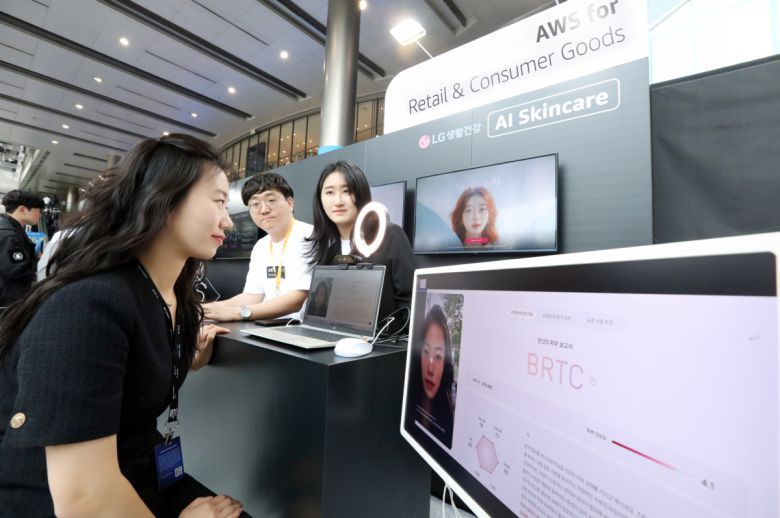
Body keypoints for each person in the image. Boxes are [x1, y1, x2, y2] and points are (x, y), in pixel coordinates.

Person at [0, 134, 244, 517]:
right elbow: (84, 500)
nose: (228, 221)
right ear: (164, 198)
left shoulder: (170, 297)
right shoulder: (87, 307)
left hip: (136, 473)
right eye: (218, 201)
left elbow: (138, 371)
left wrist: (192, 355)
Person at [306, 161, 417, 326]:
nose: (338, 201)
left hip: (383, 339)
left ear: (362, 194)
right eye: (329, 192)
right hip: (337, 337)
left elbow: (411, 302)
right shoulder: (328, 253)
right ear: (320, 199)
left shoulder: (389, 235)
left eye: (347, 191)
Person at [203, 173, 313, 322]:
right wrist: (209, 309)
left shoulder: (310, 236)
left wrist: (238, 313)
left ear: (289, 203)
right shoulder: (261, 246)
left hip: (299, 327)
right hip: (266, 325)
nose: (264, 210)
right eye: (255, 204)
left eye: (271, 200)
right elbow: (252, 296)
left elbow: (298, 298)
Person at [414, 305, 455, 448]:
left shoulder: (449, 422)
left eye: (438, 356)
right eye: (426, 352)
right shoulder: (409, 405)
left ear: (445, 364)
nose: (430, 369)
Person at [0, 190, 44, 307]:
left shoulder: (10, 228)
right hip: (7, 302)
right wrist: (43, 262)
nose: (40, 215)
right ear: (22, 209)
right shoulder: (9, 235)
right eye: (38, 210)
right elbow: (17, 269)